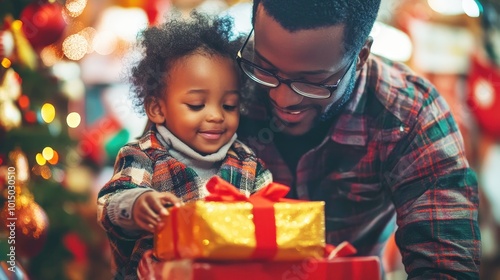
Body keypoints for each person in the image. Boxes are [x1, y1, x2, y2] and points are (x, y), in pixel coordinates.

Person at [235, 0, 481, 278]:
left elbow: (446, 266)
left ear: (362, 56)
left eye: (313, 81)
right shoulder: (219, 79)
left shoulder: (411, 116)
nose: (282, 98)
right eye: (266, 68)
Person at [97, 13, 272, 279]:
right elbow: (109, 204)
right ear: (157, 108)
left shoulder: (248, 164)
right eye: (196, 105)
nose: (216, 116)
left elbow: (272, 217)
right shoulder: (143, 155)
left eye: (229, 105)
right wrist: (137, 204)